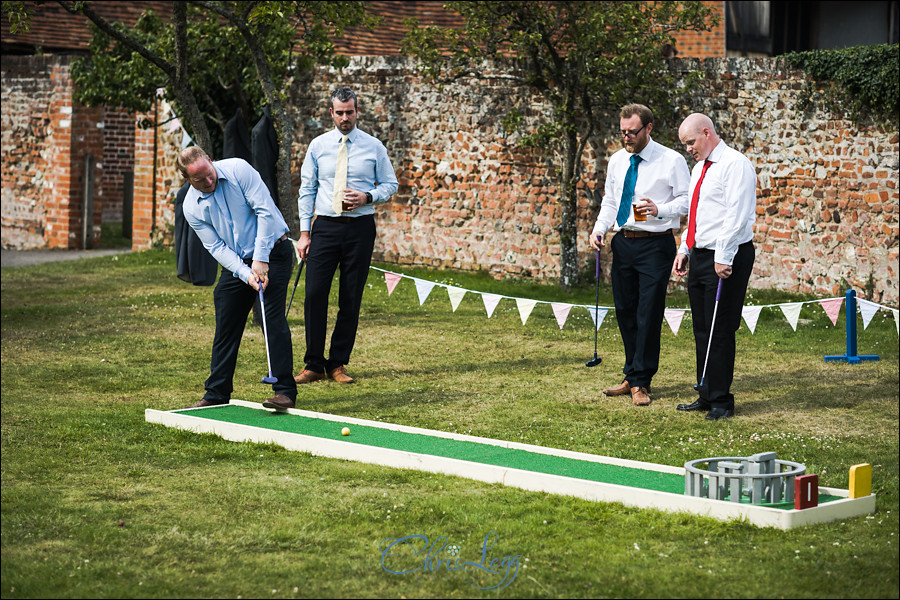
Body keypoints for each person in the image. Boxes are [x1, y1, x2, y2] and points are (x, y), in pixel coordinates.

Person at [178, 146, 298, 410]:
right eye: (199, 180)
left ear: (210, 161)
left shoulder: (239, 170)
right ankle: (217, 392)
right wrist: (246, 273)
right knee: (227, 321)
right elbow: (216, 248)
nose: (209, 181)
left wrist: (261, 258)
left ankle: (285, 391)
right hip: (238, 261)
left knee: (271, 317)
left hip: (273, 250)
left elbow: (265, 212)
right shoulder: (191, 207)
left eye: (209, 174)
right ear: (188, 180)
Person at [294, 87, 399, 385]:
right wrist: (304, 233)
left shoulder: (374, 146)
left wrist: (367, 196)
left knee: (350, 298)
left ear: (357, 111)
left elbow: (391, 184)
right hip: (324, 227)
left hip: (360, 229)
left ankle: (337, 363)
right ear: (331, 112)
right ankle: (313, 364)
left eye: (349, 112)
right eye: (339, 112)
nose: (344, 118)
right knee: (315, 295)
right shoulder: (317, 146)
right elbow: (307, 190)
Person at [589, 104, 690, 406]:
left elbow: (687, 202)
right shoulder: (618, 160)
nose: (626, 137)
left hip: (656, 245)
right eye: (622, 132)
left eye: (632, 132)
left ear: (648, 128)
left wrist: (661, 209)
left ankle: (642, 382)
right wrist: (599, 229)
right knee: (625, 311)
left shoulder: (672, 160)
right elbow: (610, 201)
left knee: (648, 313)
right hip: (623, 243)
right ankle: (630, 375)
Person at [673, 113, 757, 421]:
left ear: (706, 133)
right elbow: (698, 215)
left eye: (691, 142)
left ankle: (722, 400)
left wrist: (724, 255)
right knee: (701, 328)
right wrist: (685, 248)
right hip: (700, 254)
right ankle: (706, 393)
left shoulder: (736, 165)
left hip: (728, 255)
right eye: (685, 145)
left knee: (720, 328)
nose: (689, 150)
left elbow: (738, 214)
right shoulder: (699, 169)